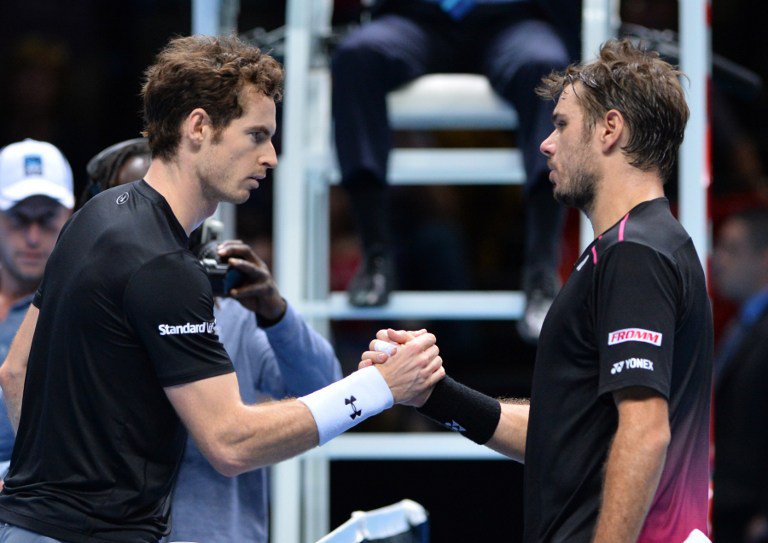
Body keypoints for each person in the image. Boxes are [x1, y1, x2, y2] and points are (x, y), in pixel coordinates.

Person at [0, 35, 444, 543]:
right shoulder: (166, 265)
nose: (272, 157)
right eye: (256, 135)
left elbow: (16, 372)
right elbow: (230, 443)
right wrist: (380, 387)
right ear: (198, 127)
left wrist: (62, 488)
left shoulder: (96, 216)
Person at [364, 39, 713, 542]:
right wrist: (435, 396)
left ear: (610, 129)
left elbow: (645, 430)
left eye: (562, 124)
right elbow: (564, 435)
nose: (546, 143)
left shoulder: (634, 254)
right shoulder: (641, 246)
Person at [80, 137, 344, 543]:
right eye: (134, 208)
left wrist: (277, 314)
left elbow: (326, 392)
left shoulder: (237, 317)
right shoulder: (76, 317)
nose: (148, 227)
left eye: (163, 209)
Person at [331, 0, 577, 342]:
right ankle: (374, 258)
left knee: (546, 66)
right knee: (357, 56)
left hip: (509, 19)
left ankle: (542, 272)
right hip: (416, 18)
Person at [0, 139, 74, 478]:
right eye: (18, 219)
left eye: (46, 220)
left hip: (42, 509)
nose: (32, 237)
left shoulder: (88, 310)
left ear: (70, 218)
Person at [711, 208, 768, 543]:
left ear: (765, 258)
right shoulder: (739, 325)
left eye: (731, 249)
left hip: (751, 516)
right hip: (730, 511)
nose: (717, 258)